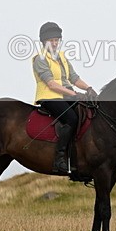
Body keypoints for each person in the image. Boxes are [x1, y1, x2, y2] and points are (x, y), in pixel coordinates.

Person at [32, 22, 96, 174]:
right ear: (44, 42)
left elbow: (74, 78)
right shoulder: (39, 59)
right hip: (49, 97)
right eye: (51, 40)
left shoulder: (62, 57)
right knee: (71, 119)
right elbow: (51, 84)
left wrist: (88, 88)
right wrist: (73, 94)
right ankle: (60, 158)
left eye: (56, 40)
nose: (54, 43)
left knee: (89, 111)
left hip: (66, 95)